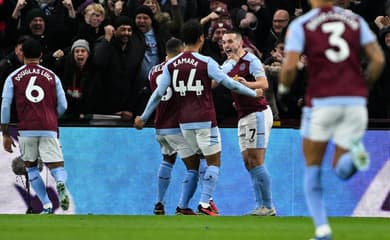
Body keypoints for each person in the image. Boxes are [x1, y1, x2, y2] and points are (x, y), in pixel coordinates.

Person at [279, 0, 385, 239]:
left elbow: (289, 67)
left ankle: (322, 229)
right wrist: (363, 86)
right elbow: (378, 60)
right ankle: (354, 157)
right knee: (342, 168)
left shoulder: (302, 24)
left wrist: (284, 90)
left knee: (312, 168)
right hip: (355, 103)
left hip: (321, 102)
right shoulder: (355, 20)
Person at [134, 19, 263, 216]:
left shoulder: (171, 65)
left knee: (197, 163)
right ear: (202, 38)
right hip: (205, 119)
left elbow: (158, 93)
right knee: (213, 163)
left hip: (184, 123)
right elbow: (229, 84)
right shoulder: (206, 62)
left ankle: (181, 205)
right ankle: (204, 203)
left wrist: (143, 117)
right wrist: (254, 94)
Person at [1, 38, 70, 214]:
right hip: (48, 127)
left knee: (31, 167)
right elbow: (63, 105)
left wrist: (5, 132)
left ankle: (46, 205)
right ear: (40, 55)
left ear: (22, 54)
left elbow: (5, 105)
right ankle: (60, 182)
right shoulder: (52, 76)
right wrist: (53, 117)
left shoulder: (13, 77)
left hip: (27, 128)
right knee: (57, 165)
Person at [221, 30, 276, 216]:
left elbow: (264, 84)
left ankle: (268, 206)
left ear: (239, 43)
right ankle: (260, 205)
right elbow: (213, 82)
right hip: (243, 115)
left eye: (230, 41)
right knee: (248, 162)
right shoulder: (227, 65)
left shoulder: (251, 60)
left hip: (257, 113)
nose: (226, 45)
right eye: (223, 42)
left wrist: (247, 84)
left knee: (256, 160)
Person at [150, 37, 199, 215]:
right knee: (194, 167)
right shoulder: (180, 69)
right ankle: (183, 207)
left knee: (167, 160)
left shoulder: (153, 71)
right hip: (177, 126)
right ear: (180, 52)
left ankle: (158, 203)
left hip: (160, 125)